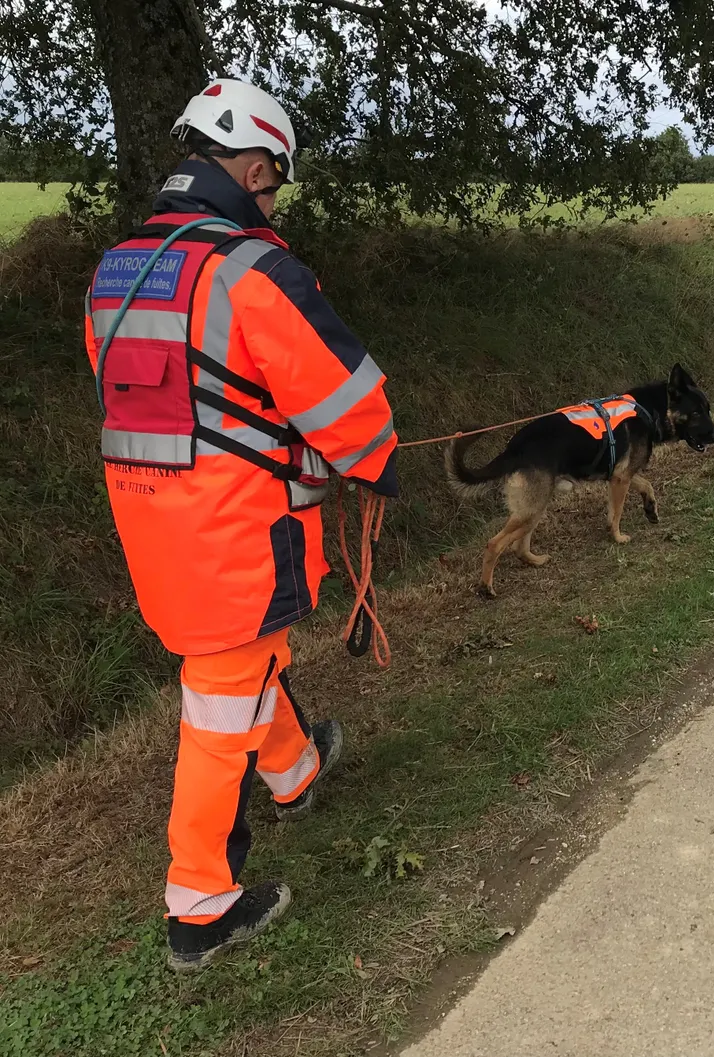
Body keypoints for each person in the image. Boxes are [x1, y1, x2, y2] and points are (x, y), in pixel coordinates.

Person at [83, 79, 398, 972]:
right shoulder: (254, 271)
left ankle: (296, 771)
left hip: (151, 522)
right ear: (257, 166)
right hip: (236, 526)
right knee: (221, 697)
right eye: (276, 185)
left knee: (243, 656)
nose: (273, 203)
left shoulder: (116, 268)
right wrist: (378, 461)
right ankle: (199, 905)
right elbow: (345, 399)